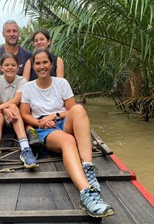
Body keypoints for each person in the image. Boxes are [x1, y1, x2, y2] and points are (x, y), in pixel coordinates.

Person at [20, 49, 115, 218]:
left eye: (45, 62)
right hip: (44, 129)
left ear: (51, 64)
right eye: (38, 63)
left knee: (78, 108)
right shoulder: (27, 87)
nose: (42, 66)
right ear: (33, 66)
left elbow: (71, 109)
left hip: (62, 120)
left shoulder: (61, 83)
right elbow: (25, 115)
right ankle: (86, 192)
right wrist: (41, 121)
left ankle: (88, 167)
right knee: (69, 141)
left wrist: (55, 115)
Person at [22, 29, 65, 150]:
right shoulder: (29, 62)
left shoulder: (58, 60)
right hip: (34, 100)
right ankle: (31, 132)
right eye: (36, 40)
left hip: (52, 99)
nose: (39, 42)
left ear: (49, 41)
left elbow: (60, 83)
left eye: (42, 39)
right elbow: (23, 83)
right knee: (26, 110)